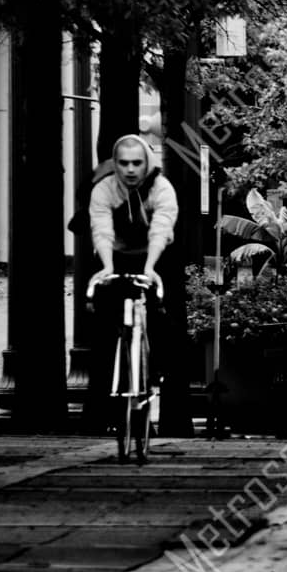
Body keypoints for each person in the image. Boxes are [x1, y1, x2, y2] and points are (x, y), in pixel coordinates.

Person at [84, 134, 179, 429]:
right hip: (115, 255)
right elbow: (101, 230)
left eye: (137, 163)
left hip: (156, 255)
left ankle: (157, 371)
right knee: (102, 322)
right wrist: (107, 266)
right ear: (115, 164)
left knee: (164, 314)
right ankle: (100, 407)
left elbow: (161, 229)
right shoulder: (104, 189)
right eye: (123, 163)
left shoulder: (162, 189)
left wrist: (151, 267)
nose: (130, 170)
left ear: (147, 163)